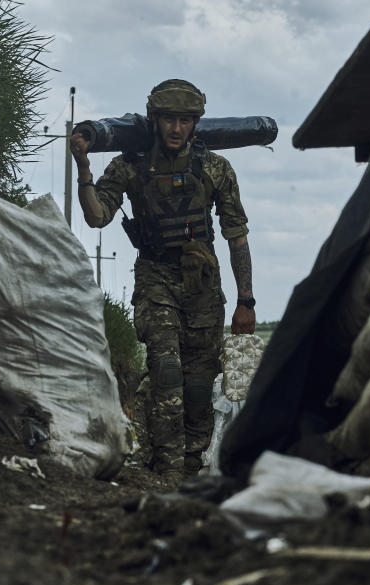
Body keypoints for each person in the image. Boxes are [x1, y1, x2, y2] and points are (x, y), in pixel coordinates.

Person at [70, 79, 256, 482]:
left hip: (203, 284)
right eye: (169, 119)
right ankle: (167, 471)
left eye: (185, 121)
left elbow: (236, 235)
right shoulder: (130, 164)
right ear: (154, 121)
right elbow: (97, 215)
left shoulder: (214, 167)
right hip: (155, 276)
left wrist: (247, 300)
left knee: (199, 382)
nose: (176, 129)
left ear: (195, 124)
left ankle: (189, 467)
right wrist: (84, 169)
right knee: (167, 367)